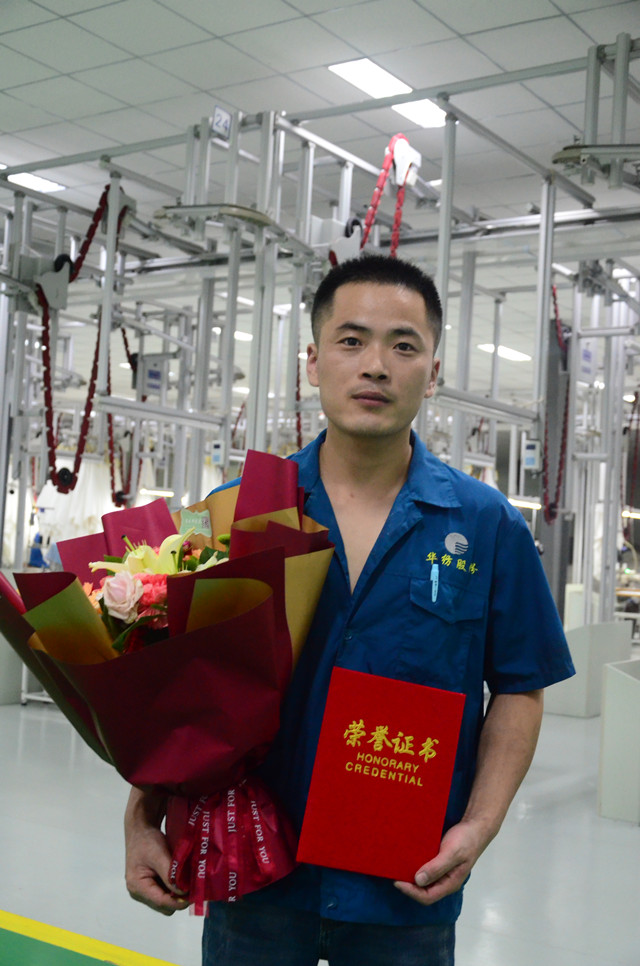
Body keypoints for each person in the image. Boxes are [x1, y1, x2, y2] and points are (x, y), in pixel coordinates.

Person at [124, 254, 575, 965]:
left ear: (433, 372)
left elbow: (520, 686)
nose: (376, 366)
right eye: (352, 340)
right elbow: (180, 684)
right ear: (313, 361)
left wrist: (481, 825)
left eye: (404, 346)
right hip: (256, 873)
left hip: (406, 883)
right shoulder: (239, 512)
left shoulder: (487, 525)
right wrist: (141, 816)